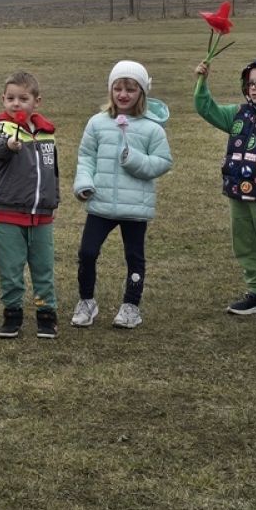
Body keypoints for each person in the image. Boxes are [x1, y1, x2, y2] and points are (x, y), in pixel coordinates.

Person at [70, 62, 173, 330]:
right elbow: (86, 157)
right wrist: (84, 183)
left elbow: (163, 162)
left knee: (134, 256)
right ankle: (86, 301)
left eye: (130, 89)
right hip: (101, 203)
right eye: (118, 88)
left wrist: (134, 160)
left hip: (135, 207)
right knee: (87, 252)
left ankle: (131, 306)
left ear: (142, 92)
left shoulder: (152, 129)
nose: (123, 94)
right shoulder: (97, 123)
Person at [194, 56, 256, 320]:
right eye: (250, 83)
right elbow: (206, 108)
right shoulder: (238, 114)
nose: (254, 88)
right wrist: (202, 82)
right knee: (244, 243)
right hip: (237, 191)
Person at [0, 71, 62, 339]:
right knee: (10, 268)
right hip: (9, 212)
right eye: (10, 98)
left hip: (42, 214)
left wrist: (53, 198)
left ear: (36, 102)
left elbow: (52, 170)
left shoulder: (47, 133)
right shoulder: (1, 128)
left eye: (23, 98)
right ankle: (12, 313)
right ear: (3, 100)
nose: (16, 103)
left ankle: (46, 313)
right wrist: (9, 145)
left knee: (43, 267)